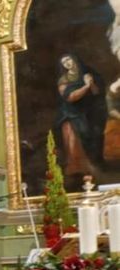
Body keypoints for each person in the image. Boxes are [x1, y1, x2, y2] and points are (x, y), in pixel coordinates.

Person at [55, 53, 105, 181]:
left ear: (74, 59)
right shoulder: (63, 80)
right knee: (73, 138)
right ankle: (76, 168)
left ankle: (93, 166)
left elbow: (96, 92)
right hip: (70, 114)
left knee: (92, 136)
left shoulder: (87, 73)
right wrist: (86, 86)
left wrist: (91, 83)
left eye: (68, 59)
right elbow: (70, 97)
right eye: (64, 62)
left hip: (87, 112)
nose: (67, 63)